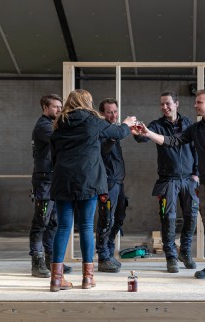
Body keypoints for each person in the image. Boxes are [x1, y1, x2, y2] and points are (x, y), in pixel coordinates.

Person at [138, 89, 205, 281]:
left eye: (199, 102)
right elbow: (172, 141)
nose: (195, 105)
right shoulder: (195, 129)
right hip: (204, 186)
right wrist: (148, 133)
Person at [49, 89, 136, 292]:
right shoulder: (92, 120)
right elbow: (118, 132)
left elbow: (54, 155)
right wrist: (128, 123)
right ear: (87, 102)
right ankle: (88, 278)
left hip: (63, 180)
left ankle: (56, 279)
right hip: (88, 179)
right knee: (87, 226)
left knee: (63, 227)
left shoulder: (59, 123)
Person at [134, 91, 199, 273]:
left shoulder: (188, 125)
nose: (165, 107)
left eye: (168, 103)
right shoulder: (157, 125)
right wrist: (137, 133)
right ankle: (171, 256)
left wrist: (197, 174)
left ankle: (185, 251)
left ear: (176, 104)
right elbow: (143, 137)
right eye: (162, 104)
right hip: (168, 179)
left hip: (189, 179)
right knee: (167, 218)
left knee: (191, 216)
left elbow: (196, 150)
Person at [29, 94, 72, 278]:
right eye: (55, 107)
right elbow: (60, 139)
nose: (59, 110)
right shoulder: (43, 126)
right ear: (45, 107)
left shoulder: (52, 124)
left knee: (53, 221)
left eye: (60, 106)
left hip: (54, 179)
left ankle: (50, 258)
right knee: (41, 221)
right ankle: (36, 261)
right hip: (44, 180)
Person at [95, 98, 131, 273]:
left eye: (115, 111)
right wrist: (113, 137)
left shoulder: (114, 131)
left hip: (118, 182)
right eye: (109, 112)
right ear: (102, 113)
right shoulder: (102, 130)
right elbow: (101, 151)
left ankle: (109, 249)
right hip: (107, 183)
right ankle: (102, 256)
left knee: (119, 217)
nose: (113, 115)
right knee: (105, 219)